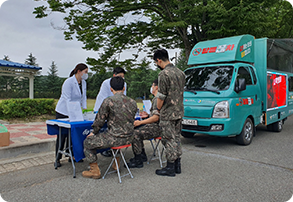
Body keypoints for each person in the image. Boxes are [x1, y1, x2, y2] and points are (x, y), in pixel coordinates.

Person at [82, 76, 137, 179]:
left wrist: (94, 132)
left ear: (111, 89)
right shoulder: (133, 102)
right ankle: (116, 164)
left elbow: (100, 120)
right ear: (124, 88)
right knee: (114, 138)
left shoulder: (108, 101)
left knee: (87, 142)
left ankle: (94, 171)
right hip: (129, 138)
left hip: (115, 138)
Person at [153, 49, 185, 177]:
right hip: (179, 111)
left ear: (159, 60)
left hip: (168, 113)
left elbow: (161, 96)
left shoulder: (163, 74)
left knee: (168, 139)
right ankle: (177, 165)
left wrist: (158, 109)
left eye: (156, 62)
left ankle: (170, 167)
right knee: (177, 138)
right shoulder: (181, 73)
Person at [54, 63, 88, 167]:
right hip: (63, 111)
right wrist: (73, 112)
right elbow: (67, 99)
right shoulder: (68, 82)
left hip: (76, 111)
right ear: (79, 71)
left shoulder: (83, 83)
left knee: (74, 134)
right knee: (62, 135)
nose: (86, 74)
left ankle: (72, 156)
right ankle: (57, 159)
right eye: (85, 72)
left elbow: (83, 97)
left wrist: (84, 110)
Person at [126, 79, 161, 168]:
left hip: (158, 127)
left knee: (135, 134)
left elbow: (157, 118)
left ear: (156, 87)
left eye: (152, 85)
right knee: (138, 130)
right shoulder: (157, 99)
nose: (151, 87)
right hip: (157, 125)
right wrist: (148, 115)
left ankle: (138, 160)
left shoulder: (158, 99)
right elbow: (156, 115)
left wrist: (140, 122)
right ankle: (142, 155)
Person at [94, 67, 127, 157]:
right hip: (103, 108)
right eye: (120, 76)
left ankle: (114, 148)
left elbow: (123, 99)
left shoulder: (124, 84)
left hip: (115, 110)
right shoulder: (106, 83)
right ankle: (105, 149)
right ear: (114, 75)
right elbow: (105, 100)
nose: (121, 78)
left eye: (123, 77)